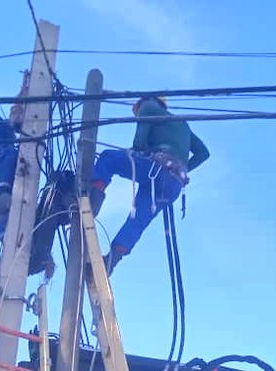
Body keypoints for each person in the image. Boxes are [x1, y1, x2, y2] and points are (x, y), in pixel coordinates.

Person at [90, 95, 210, 275]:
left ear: (141, 104)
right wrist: (182, 170)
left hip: (156, 170)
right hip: (173, 186)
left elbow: (138, 144)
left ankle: (92, 201)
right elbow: (203, 153)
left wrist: (140, 152)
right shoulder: (182, 124)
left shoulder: (148, 107)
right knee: (137, 220)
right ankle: (111, 260)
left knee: (108, 158)